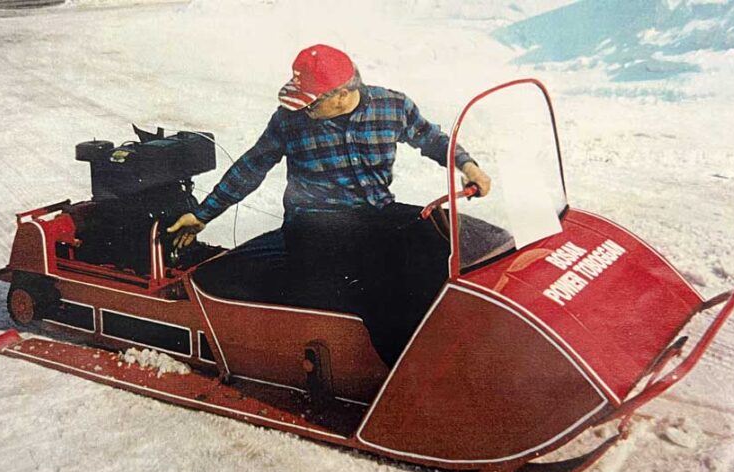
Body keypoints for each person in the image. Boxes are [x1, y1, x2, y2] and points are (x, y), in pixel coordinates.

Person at [168, 44, 492, 366]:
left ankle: (475, 340)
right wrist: (202, 214)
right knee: (380, 283)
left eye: (312, 102)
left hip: (375, 212)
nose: (303, 109)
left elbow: (431, 138)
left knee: (444, 241)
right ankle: (413, 376)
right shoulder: (288, 120)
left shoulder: (392, 106)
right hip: (314, 224)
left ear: (341, 93)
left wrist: (468, 166)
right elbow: (252, 166)